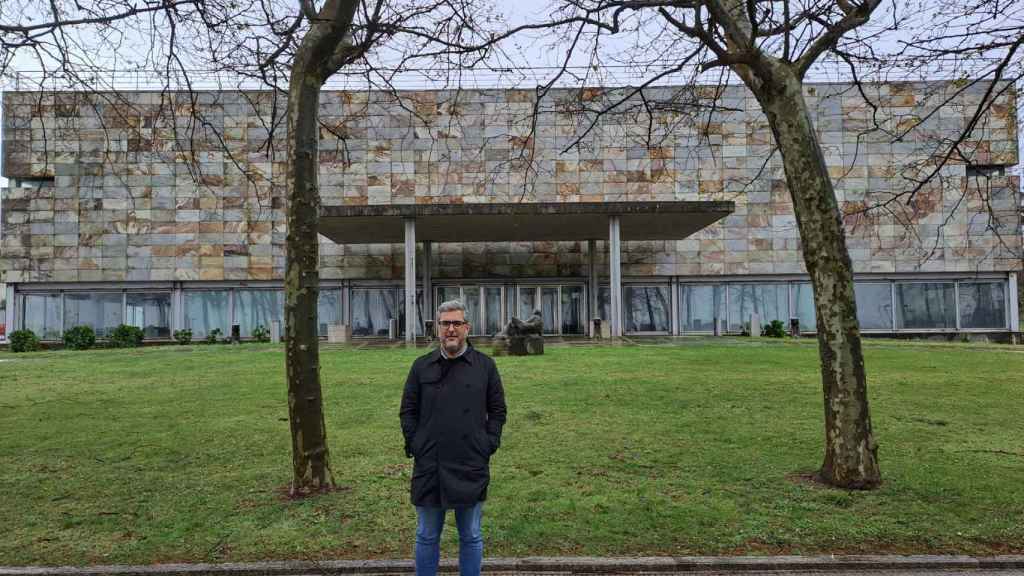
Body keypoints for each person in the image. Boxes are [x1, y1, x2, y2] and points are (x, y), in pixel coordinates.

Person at [399, 299, 507, 576]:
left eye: (456, 323)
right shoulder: (421, 366)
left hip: (470, 463)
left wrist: (488, 444)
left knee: (470, 535)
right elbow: (408, 411)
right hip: (429, 466)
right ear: (438, 328)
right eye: (445, 323)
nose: (451, 329)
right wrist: (416, 444)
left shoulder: (485, 366)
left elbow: (497, 411)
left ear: (467, 328)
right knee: (426, 535)